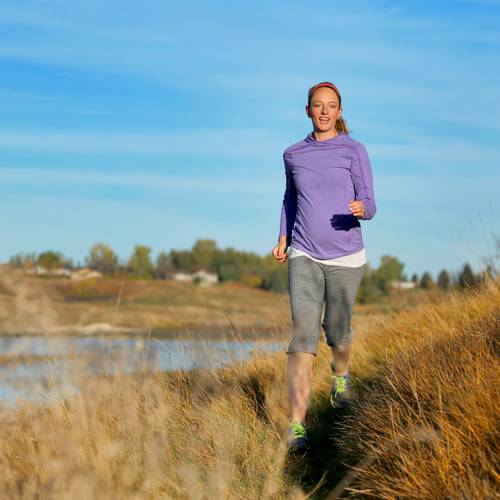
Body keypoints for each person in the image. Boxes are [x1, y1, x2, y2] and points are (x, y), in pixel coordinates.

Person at [271, 81, 377, 451]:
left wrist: (364, 209)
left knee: (338, 330)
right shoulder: (293, 154)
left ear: (340, 111)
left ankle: (341, 376)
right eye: (318, 105)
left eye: (331, 105)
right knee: (303, 332)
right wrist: (284, 236)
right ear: (308, 110)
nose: (325, 111)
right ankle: (297, 425)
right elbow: (289, 198)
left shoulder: (354, 150)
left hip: (346, 255)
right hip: (304, 252)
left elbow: (370, 199)